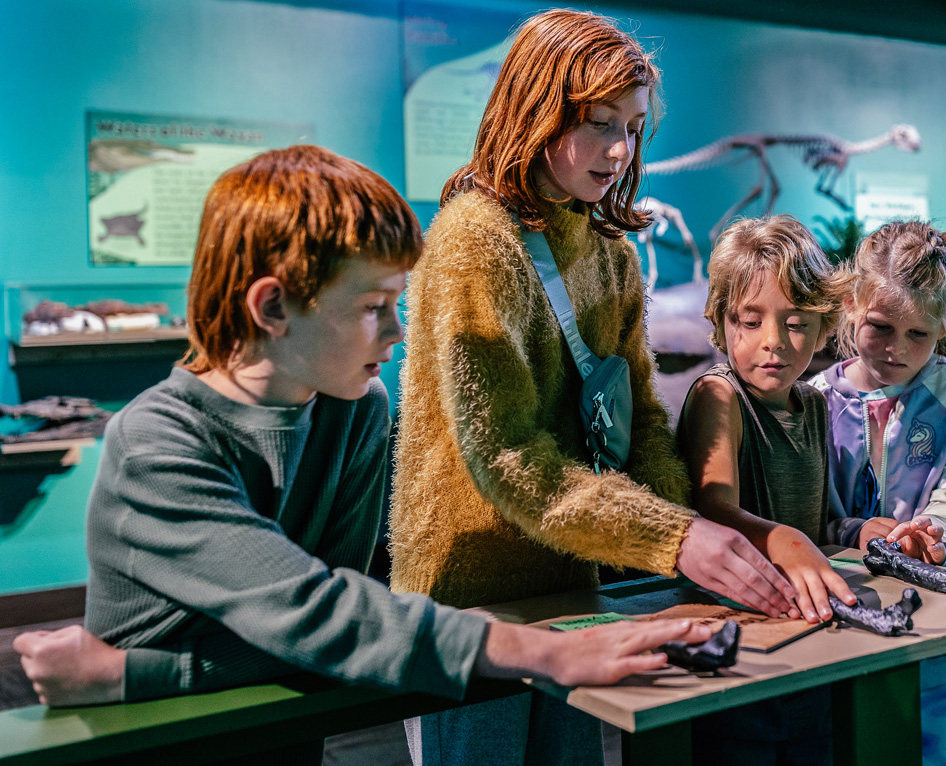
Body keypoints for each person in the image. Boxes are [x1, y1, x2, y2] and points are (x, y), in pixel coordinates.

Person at [11, 146, 712, 722]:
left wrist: (138, 673)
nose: (396, 331)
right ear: (273, 305)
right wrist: (548, 653)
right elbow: (317, 615)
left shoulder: (355, 409)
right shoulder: (157, 445)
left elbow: (330, 626)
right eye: (375, 306)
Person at [387, 10, 795, 765]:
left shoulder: (609, 249)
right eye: (599, 123)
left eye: (634, 127)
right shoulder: (474, 241)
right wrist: (674, 539)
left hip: (571, 578)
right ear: (535, 107)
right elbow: (507, 457)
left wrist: (689, 538)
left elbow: (638, 415)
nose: (620, 149)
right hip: (468, 596)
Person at [809, 221, 946, 766]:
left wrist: (933, 536)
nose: (895, 349)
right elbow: (802, 515)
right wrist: (850, 532)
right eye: (880, 327)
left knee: (937, 753)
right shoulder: (813, 401)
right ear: (850, 306)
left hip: (937, 624)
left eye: (918, 334)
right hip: (838, 619)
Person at [675, 215, 858, 764]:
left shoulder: (818, 405)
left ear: (825, 327)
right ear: (721, 321)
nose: (773, 343)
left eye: (796, 323)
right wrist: (784, 539)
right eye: (750, 322)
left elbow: (821, 517)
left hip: (809, 639)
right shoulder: (719, 396)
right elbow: (713, 509)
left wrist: (855, 529)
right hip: (736, 644)